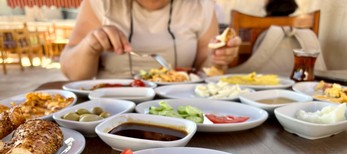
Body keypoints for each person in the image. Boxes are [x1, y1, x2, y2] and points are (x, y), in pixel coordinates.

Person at [59, 0, 241, 80]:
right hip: (111, 104)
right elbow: (72, 74)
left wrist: (219, 59)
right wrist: (90, 45)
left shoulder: (202, 6)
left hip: (178, 102)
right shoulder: (99, 3)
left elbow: (206, 70)